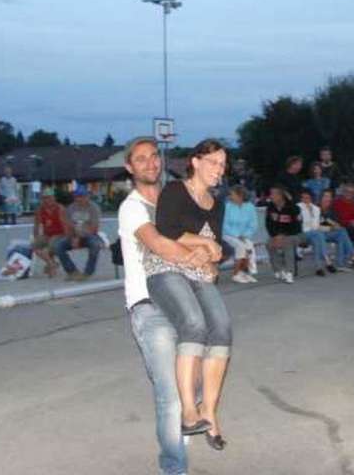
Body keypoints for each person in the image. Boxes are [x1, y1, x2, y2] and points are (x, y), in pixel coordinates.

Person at [119, 136, 214, 474]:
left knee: (197, 381)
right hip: (150, 308)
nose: (150, 163)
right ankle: (174, 468)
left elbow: (208, 244)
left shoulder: (173, 201)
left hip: (184, 299)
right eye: (140, 159)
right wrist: (200, 256)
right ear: (130, 167)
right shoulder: (132, 207)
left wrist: (208, 257)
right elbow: (159, 244)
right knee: (170, 395)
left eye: (153, 157)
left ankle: (182, 430)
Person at [144, 139, 232, 450]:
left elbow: (215, 246)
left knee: (222, 329)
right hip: (166, 267)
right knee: (194, 323)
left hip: (199, 272)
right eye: (213, 163)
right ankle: (189, 412)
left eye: (223, 165)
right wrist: (203, 244)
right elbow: (166, 229)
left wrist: (213, 255)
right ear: (195, 162)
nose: (219, 170)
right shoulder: (174, 191)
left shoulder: (218, 204)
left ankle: (210, 412)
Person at [55, 185, 102, 281]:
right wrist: (73, 237)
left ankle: (88, 272)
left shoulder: (94, 208)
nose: (79, 199)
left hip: (89, 235)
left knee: (95, 245)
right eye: (77, 196)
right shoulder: (71, 208)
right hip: (73, 235)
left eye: (82, 196)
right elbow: (68, 225)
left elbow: (94, 228)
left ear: (87, 196)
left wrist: (79, 237)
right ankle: (72, 271)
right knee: (58, 246)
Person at [318, 190, 354, 268]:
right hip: (318, 233)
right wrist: (332, 226)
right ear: (321, 197)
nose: (328, 199)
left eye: (330, 197)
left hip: (328, 232)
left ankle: (341, 263)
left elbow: (335, 221)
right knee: (341, 231)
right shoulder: (316, 208)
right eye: (326, 196)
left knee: (342, 232)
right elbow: (318, 225)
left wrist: (334, 225)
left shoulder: (331, 209)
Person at [222, 184, 259, 283]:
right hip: (228, 235)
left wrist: (245, 235)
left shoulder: (250, 207)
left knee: (249, 247)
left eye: (232, 194)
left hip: (244, 236)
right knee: (241, 247)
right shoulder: (227, 206)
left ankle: (245, 273)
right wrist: (237, 235)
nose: (230, 196)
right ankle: (235, 274)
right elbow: (224, 225)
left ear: (240, 195)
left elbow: (253, 224)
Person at [265, 185, 302, 283]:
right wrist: (275, 236)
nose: (271, 196)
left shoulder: (292, 207)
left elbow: (296, 226)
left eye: (273, 194)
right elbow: (269, 224)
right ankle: (279, 270)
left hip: (294, 235)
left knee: (287, 242)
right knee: (269, 244)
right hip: (277, 236)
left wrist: (283, 235)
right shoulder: (270, 207)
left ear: (280, 196)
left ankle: (290, 272)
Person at [298, 190, 336, 276]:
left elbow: (315, 225)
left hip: (314, 233)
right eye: (303, 198)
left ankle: (318, 268)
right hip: (303, 233)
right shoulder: (298, 207)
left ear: (311, 199)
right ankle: (327, 261)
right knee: (319, 234)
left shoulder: (316, 209)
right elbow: (303, 226)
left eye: (307, 198)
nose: (305, 200)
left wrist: (310, 213)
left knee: (317, 239)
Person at [32, 188, 66, 277]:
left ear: (54, 198)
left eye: (49, 198)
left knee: (48, 248)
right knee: (35, 246)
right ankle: (52, 263)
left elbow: (65, 224)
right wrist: (36, 237)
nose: (47, 200)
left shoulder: (60, 208)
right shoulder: (40, 210)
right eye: (45, 198)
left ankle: (51, 266)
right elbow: (36, 225)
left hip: (60, 233)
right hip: (47, 234)